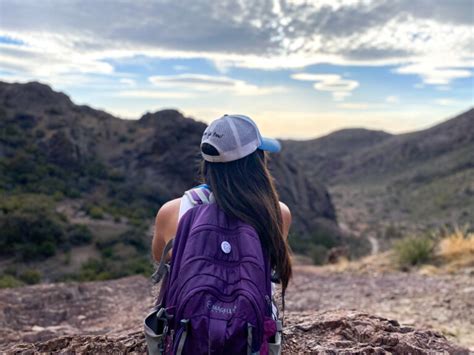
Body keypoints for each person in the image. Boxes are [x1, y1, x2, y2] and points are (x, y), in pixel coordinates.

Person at [149, 114, 292, 354]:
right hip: (247, 335)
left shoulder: (172, 212)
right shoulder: (277, 214)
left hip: (189, 332)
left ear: (208, 163)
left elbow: (161, 260)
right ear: (257, 163)